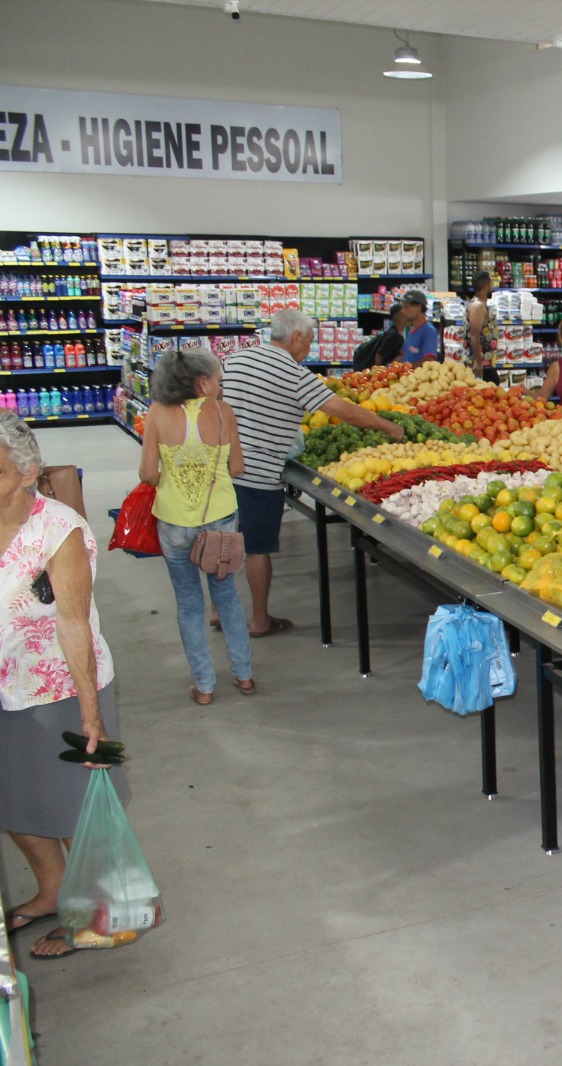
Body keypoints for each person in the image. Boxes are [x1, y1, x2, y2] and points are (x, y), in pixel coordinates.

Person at [0, 411, 129, 960]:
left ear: (27, 471)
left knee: (77, 807)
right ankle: (53, 890)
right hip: (5, 690)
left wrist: (91, 715)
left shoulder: (59, 530)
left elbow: (74, 622)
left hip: (61, 690)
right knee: (14, 801)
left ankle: (100, 913)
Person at [221, 309, 403, 636]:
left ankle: (218, 613)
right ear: (296, 338)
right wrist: (387, 426)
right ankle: (260, 620)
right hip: (258, 472)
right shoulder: (294, 374)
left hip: (223, 468)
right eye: (309, 340)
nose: (309, 347)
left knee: (221, 540)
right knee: (257, 549)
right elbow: (342, 410)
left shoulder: (236, 360)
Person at [138, 345, 253, 705]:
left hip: (174, 522)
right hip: (220, 520)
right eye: (218, 379)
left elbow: (147, 473)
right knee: (227, 597)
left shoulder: (157, 412)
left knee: (188, 603)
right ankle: (244, 674)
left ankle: (204, 685)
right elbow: (237, 468)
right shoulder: (222, 411)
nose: (221, 385)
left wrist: (173, 481)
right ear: (202, 382)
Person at [465, 270, 501, 384]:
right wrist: (478, 362)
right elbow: (474, 335)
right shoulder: (478, 306)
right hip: (482, 366)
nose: (492, 288)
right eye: (491, 285)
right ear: (485, 287)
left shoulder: (481, 304)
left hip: (487, 364)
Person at [351, 306, 403, 372]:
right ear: (399, 316)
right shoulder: (393, 334)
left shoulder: (396, 333)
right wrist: (379, 372)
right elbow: (379, 355)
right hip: (371, 371)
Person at [395, 290, 438, 364]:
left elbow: (429, 361)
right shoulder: (410, 330)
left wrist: (407, 368)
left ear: (419, 307)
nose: (402, 311)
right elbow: (403, 356)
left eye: (406, 307)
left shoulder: (428, 331)